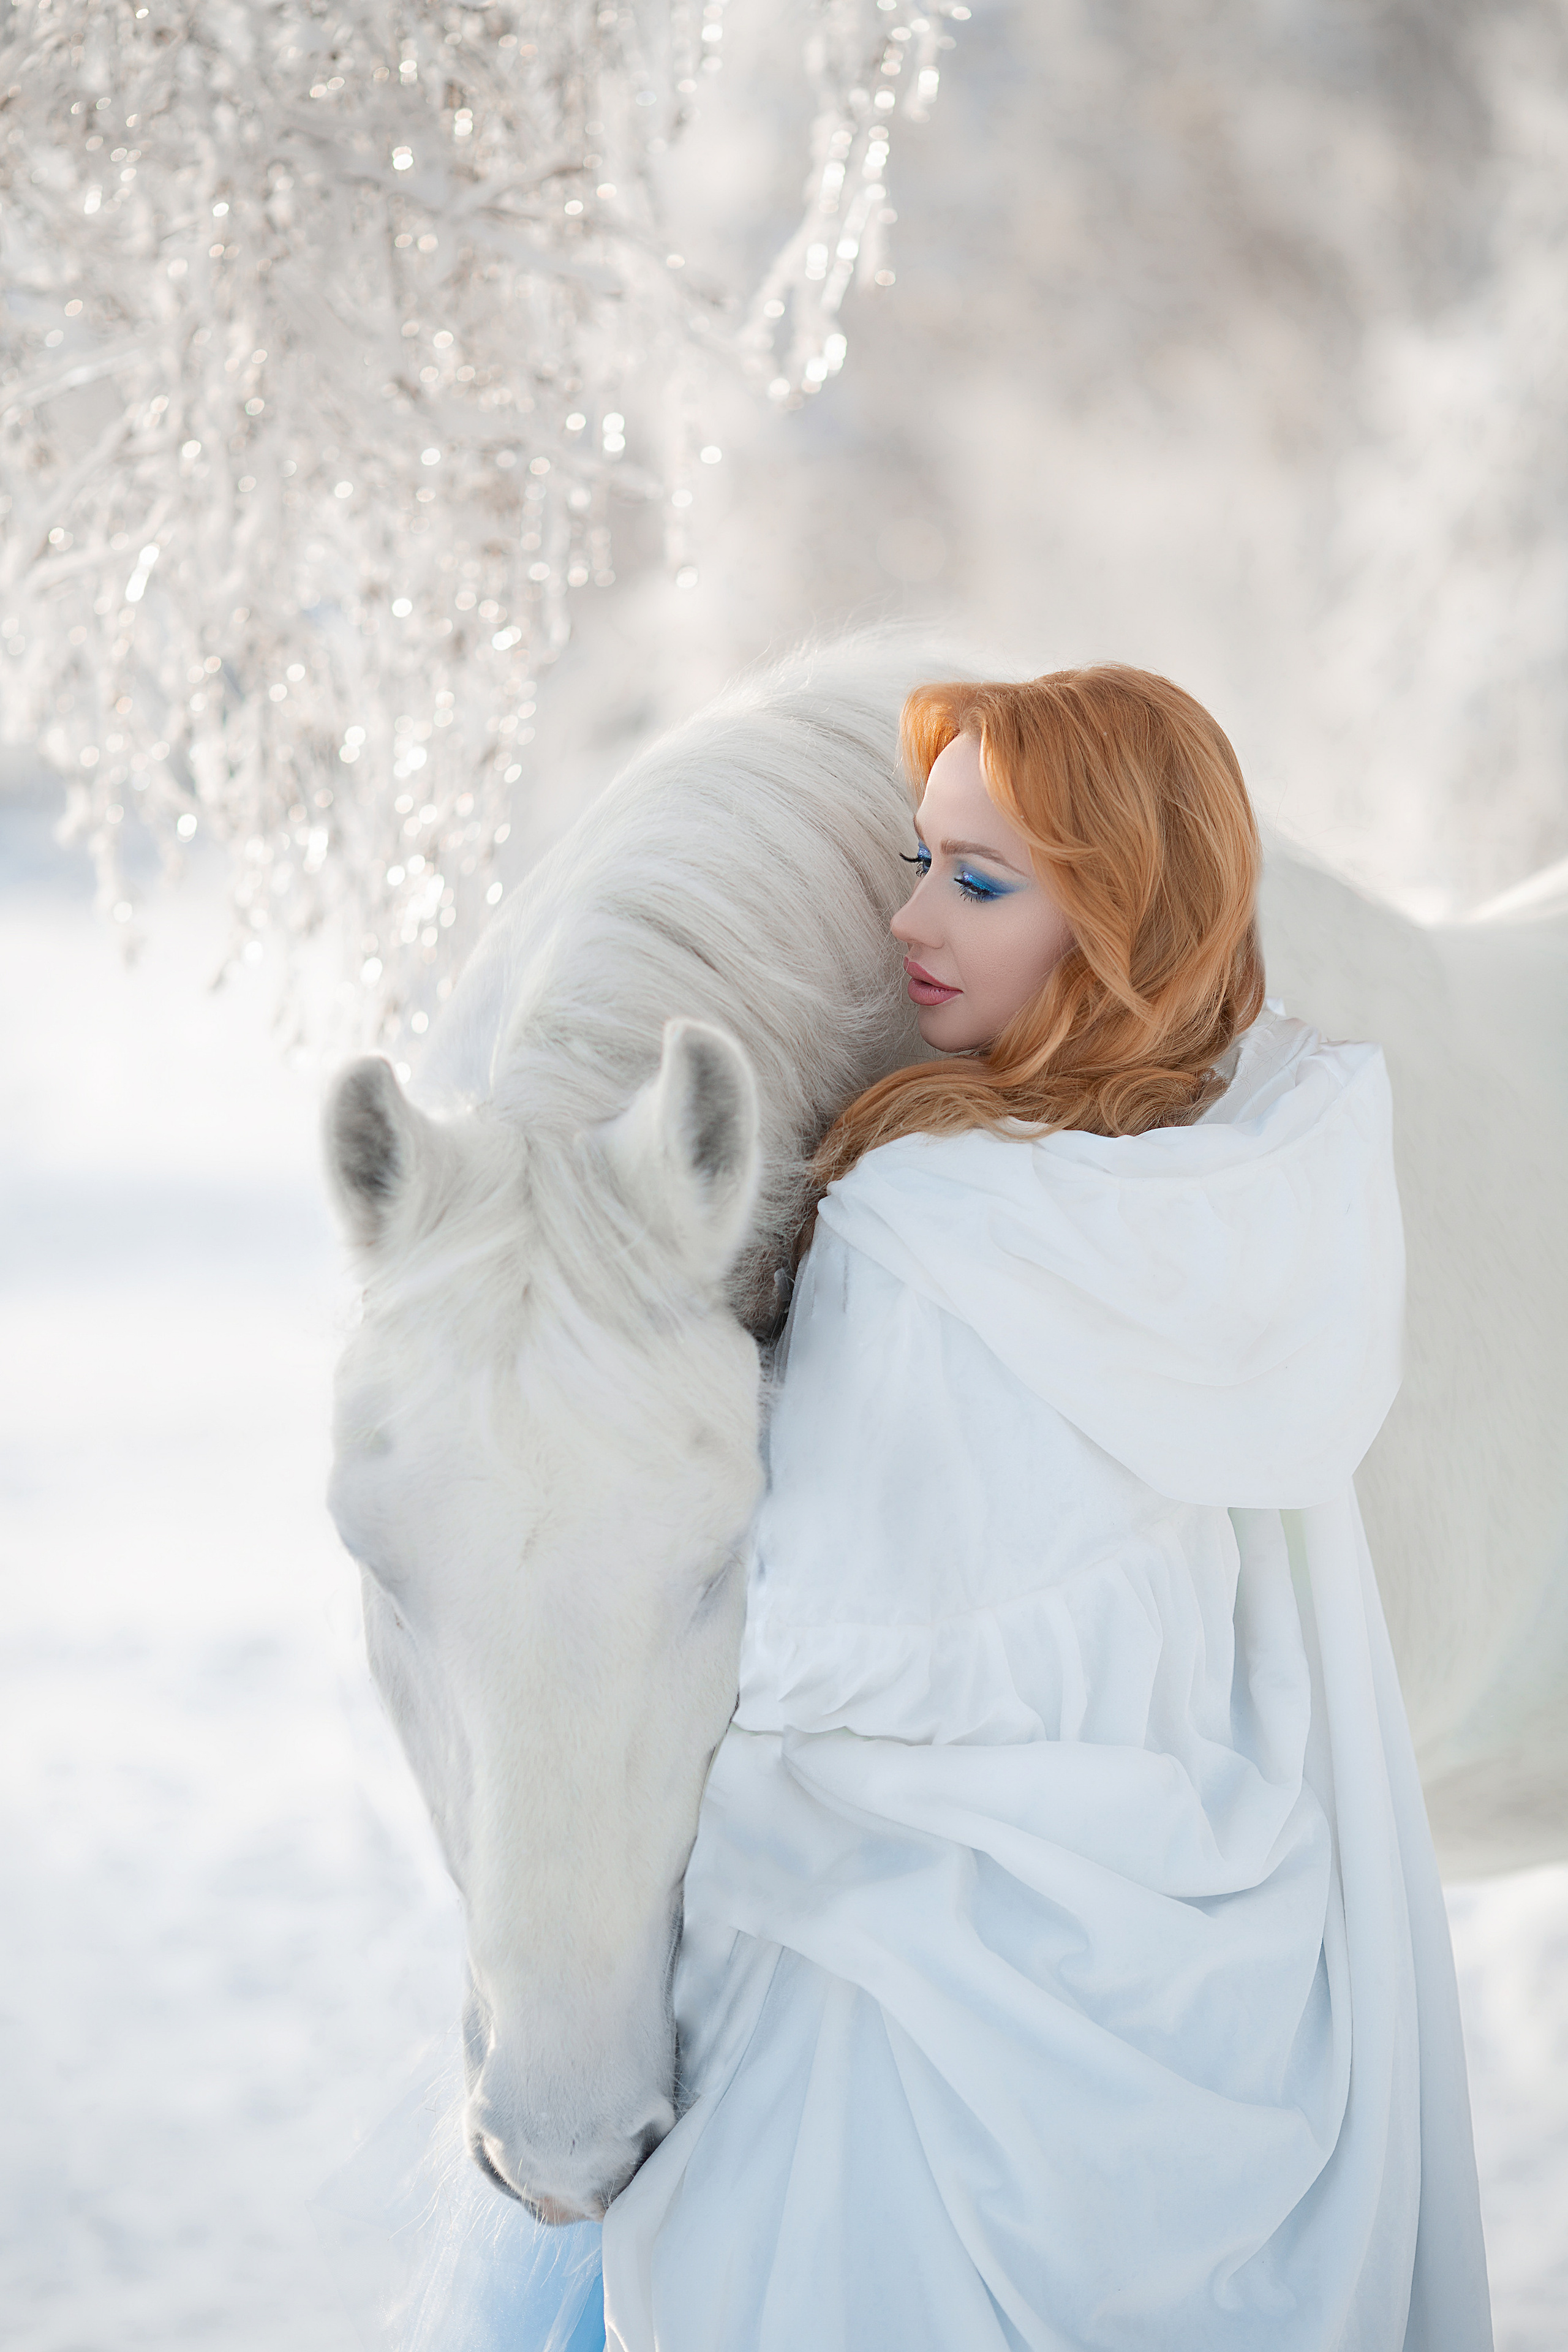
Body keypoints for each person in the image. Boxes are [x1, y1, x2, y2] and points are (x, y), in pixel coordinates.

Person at [587, 665, 1493, 2350]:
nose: (909, 916)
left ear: (1120, 917)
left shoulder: (921, 1228)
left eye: (981, 882)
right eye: (925, 858)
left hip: (926, 2047)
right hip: (1215, 1987)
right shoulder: (1258, 1194)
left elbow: (827, 1651)